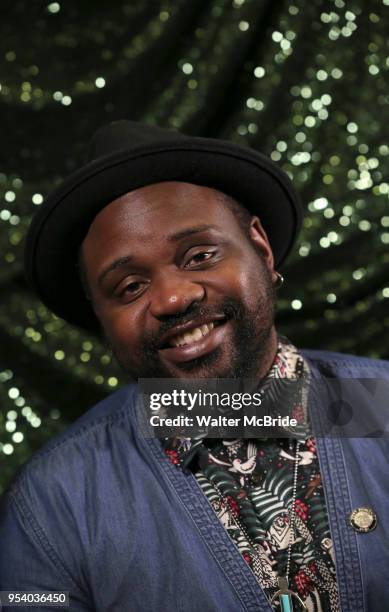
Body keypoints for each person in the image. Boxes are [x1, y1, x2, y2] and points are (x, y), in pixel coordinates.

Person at [0, 120, 388, 612]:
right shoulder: (53, 502)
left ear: (261, 250)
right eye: (130, 287)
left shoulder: (384, 404)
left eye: (200, 255)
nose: (172, 297)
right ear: (103, 321)